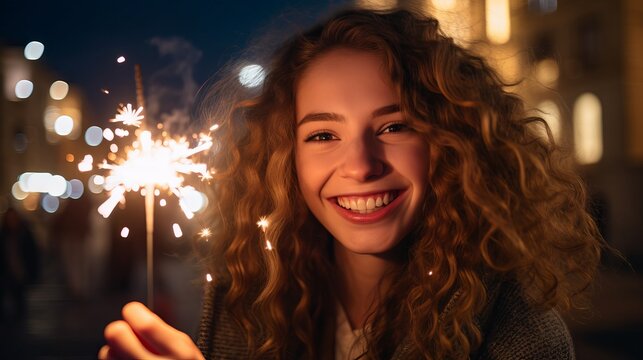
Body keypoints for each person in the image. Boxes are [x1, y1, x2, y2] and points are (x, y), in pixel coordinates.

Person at [99, 7, 603, 359]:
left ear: (450, 143)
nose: (360, 165)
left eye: (393, 126)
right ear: (285, 158)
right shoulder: (244, 304)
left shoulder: (519, 337)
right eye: (322, 134)